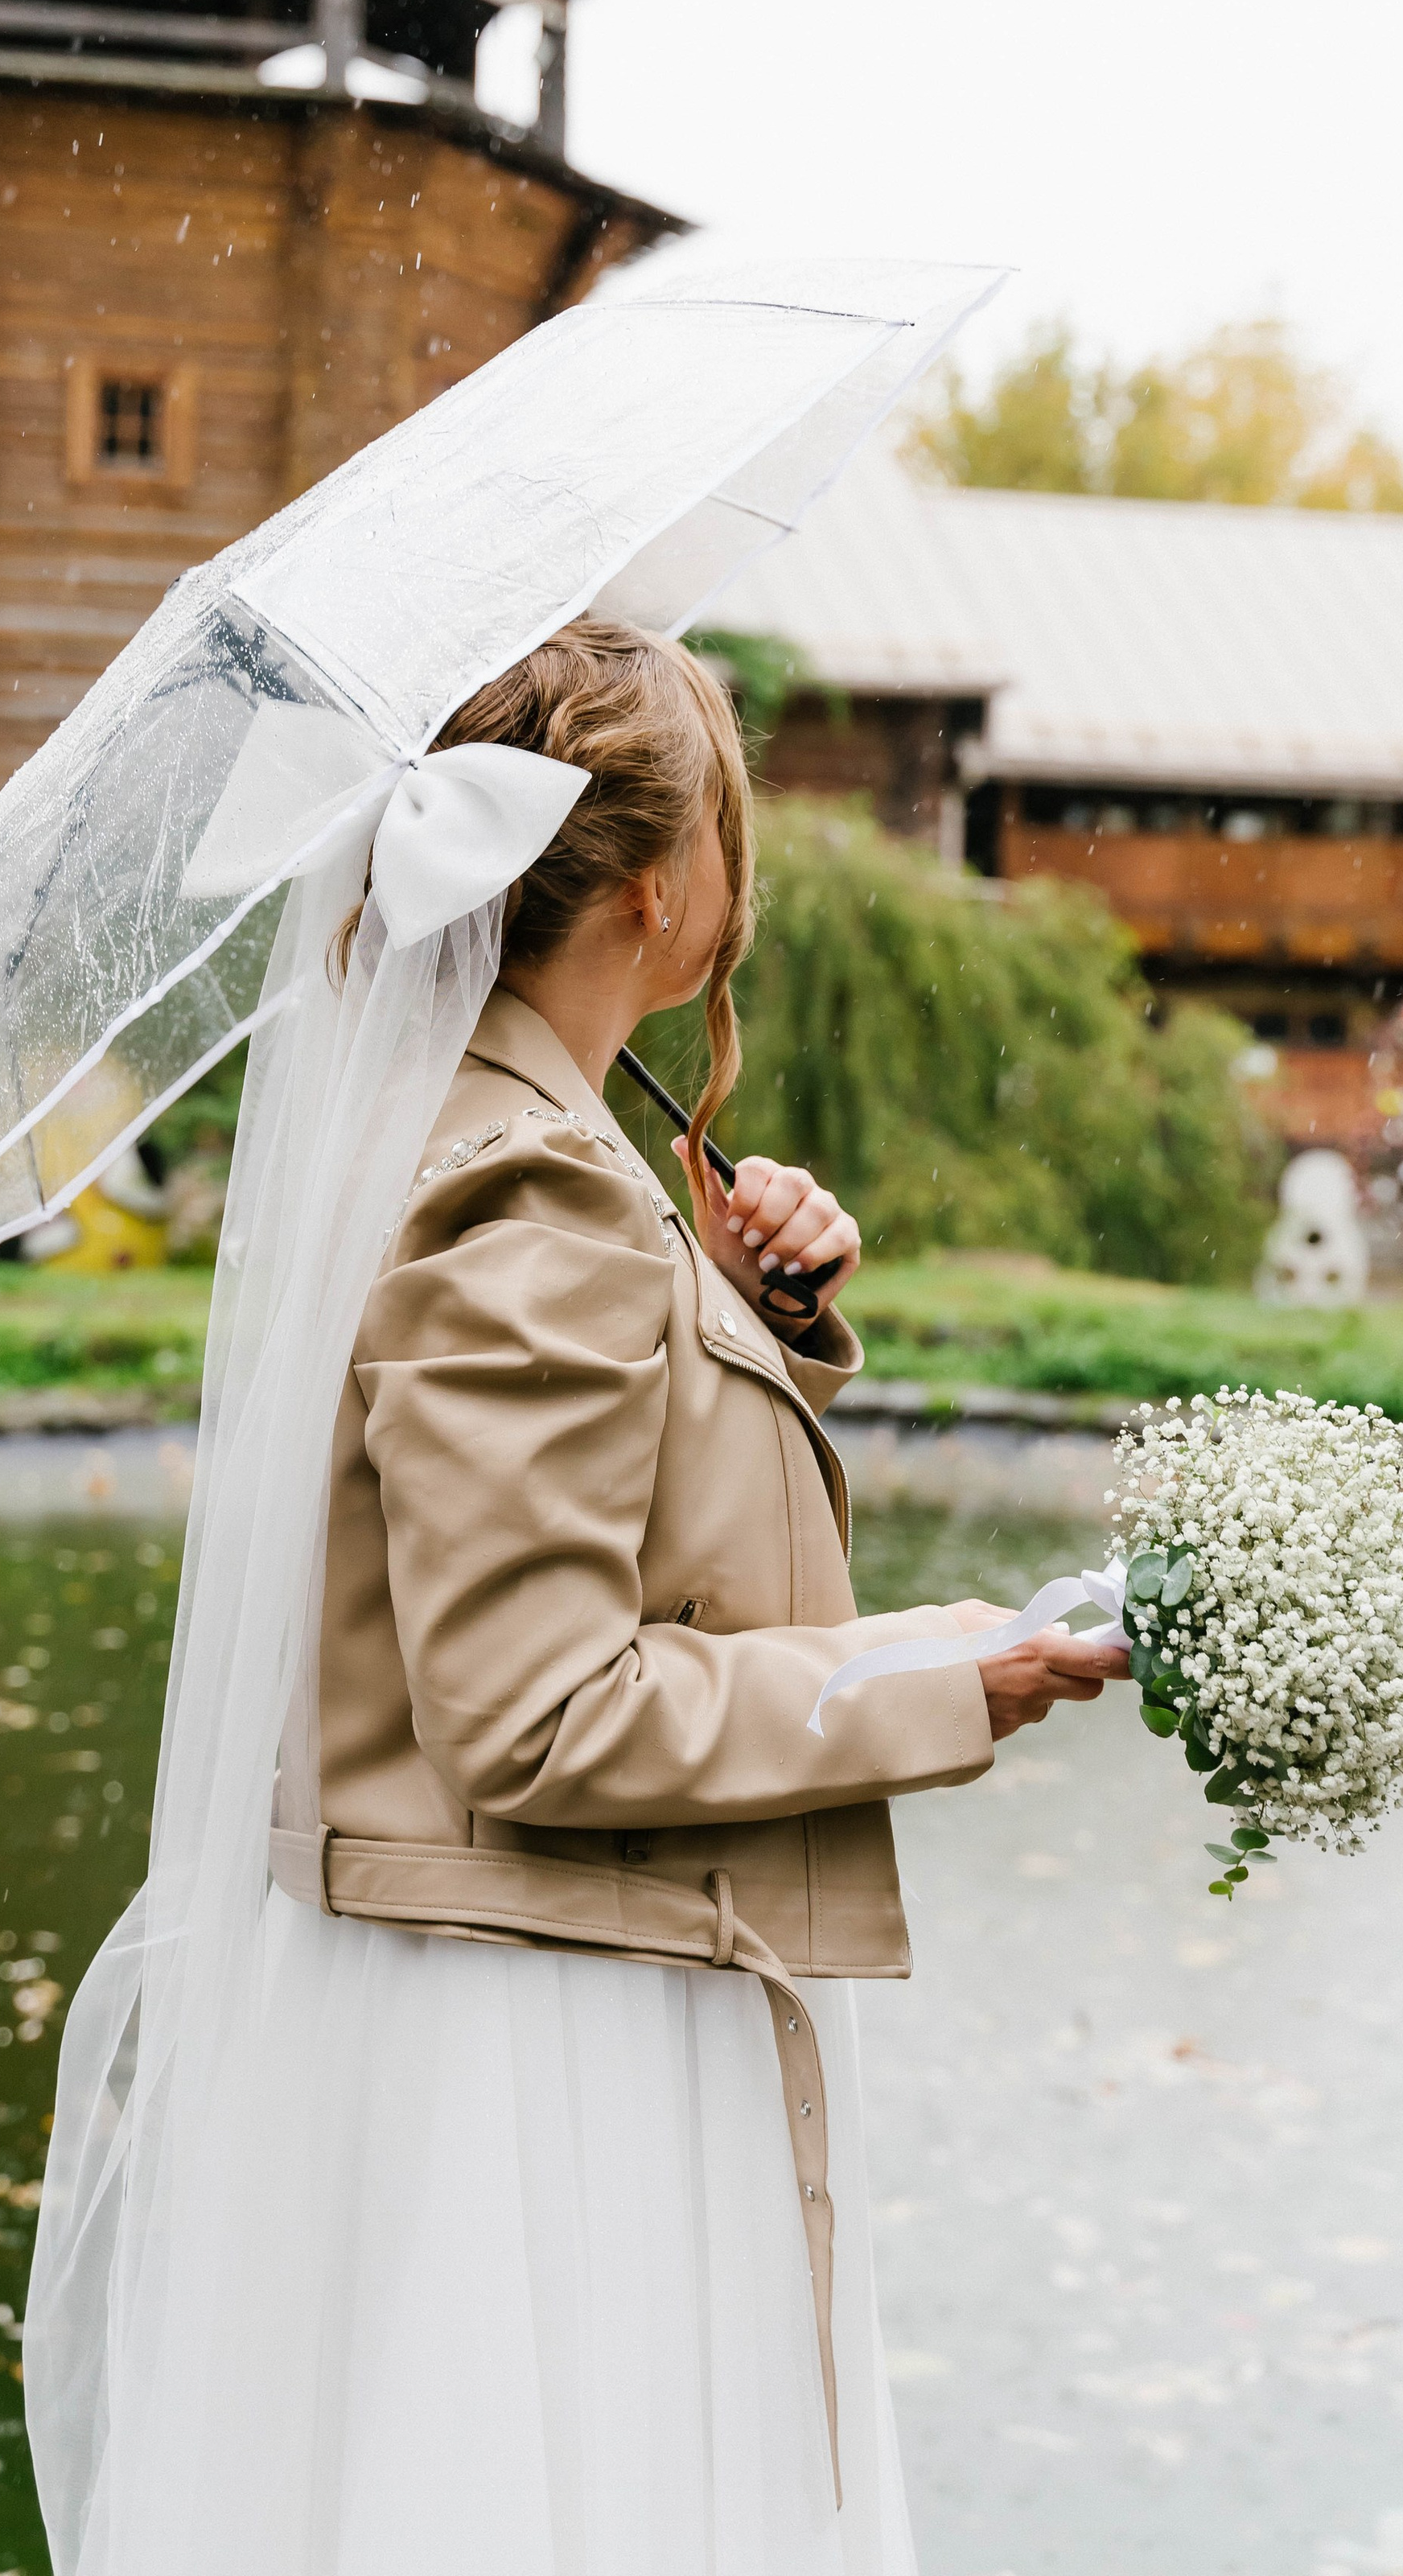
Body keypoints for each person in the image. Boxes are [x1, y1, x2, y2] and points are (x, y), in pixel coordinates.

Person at [249, 618, 1128, 2571]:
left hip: (506, 1988)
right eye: (730, 824)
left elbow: (588, 1500)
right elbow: (533, 1716)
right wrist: (941, 1678)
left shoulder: (493, 1136)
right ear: (655, 887)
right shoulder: (537, 1191)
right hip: (550, 2038)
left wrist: (738, 1307)